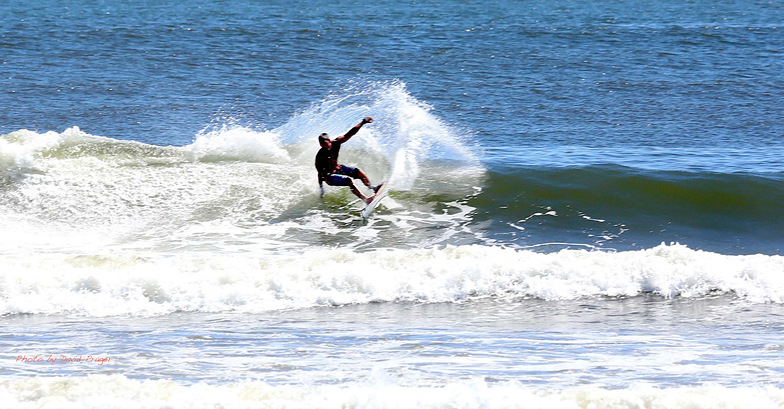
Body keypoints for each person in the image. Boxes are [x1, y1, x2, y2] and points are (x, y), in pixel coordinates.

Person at [315, 117, 381, 204]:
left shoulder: (336, 143)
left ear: (329, 141)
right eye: (322, 144)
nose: (324, 146)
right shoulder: (320, 156)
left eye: (325, 143)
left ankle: (372, 188)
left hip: (337, 168)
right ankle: (366, 199)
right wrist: (321, 189)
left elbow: (350, 133)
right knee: (348, 180)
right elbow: (320, 173)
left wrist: (363, 122)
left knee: (357, 171)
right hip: (329, 176)